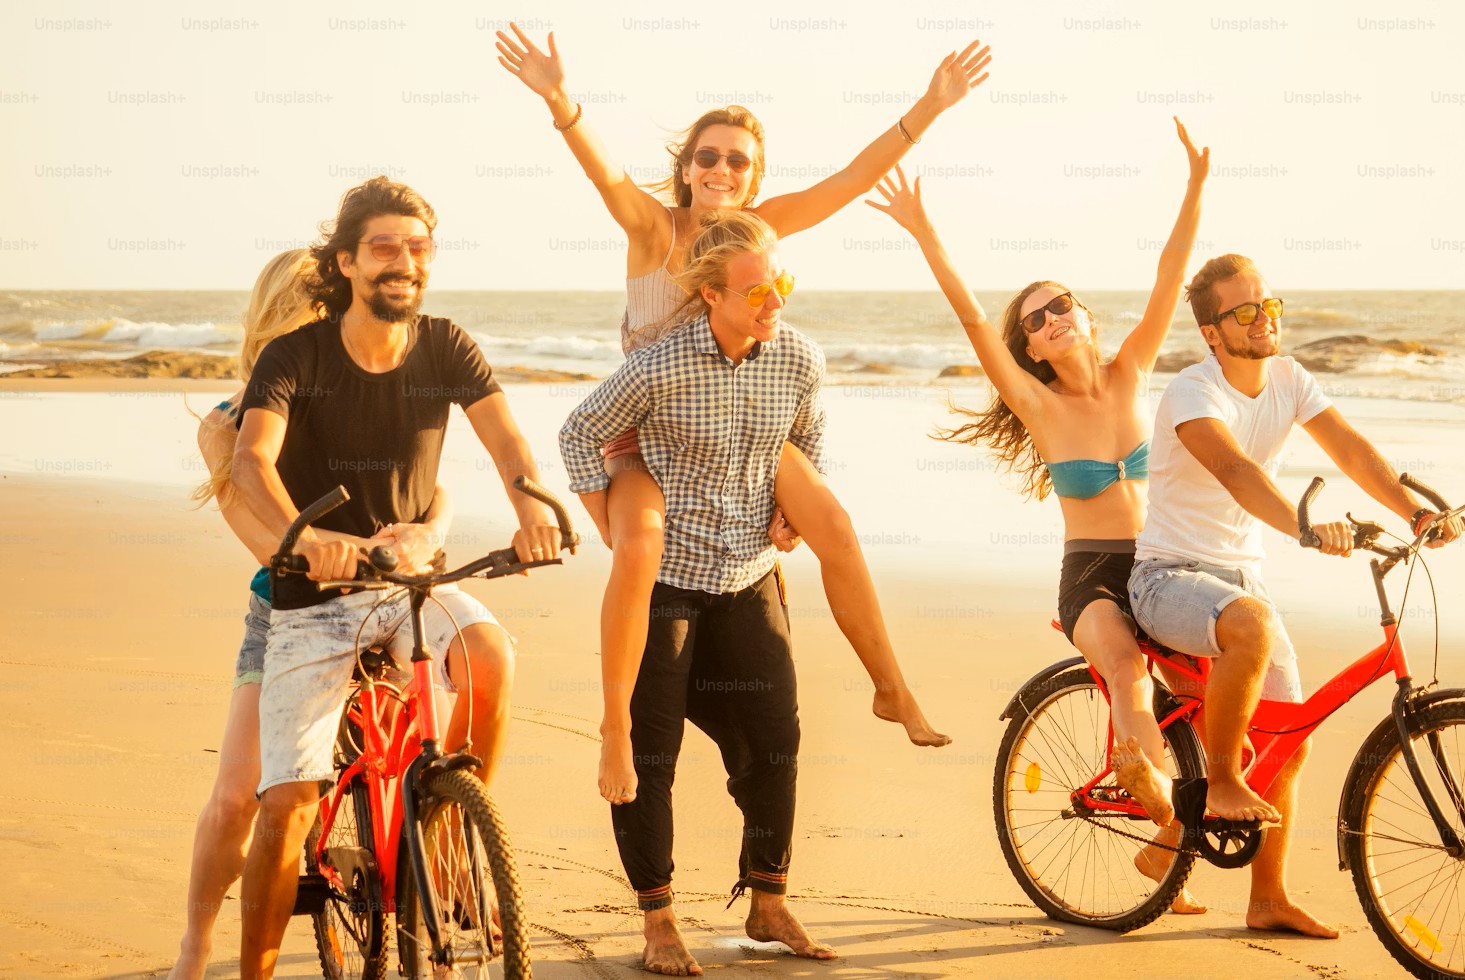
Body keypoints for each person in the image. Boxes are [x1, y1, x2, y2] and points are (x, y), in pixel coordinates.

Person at [496, 25, 989, 788]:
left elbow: (851, 180)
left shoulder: (758, 234)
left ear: (754, 180)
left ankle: (890, 686)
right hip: (649, 436)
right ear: (685, 168)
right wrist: (560, 98)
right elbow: (600, 174)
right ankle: (614, 726)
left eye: (738, 160)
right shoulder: (650, 226)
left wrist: (931, 104)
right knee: (639, 549)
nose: (721, 168)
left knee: (836, 526)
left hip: (738, 428)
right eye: (708, 156)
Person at [870, 118, 1210, 912]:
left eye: (1061, 304)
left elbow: (1171, 275)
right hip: (1092, 577)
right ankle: (1157, 804)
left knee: (1225, 681)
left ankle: (1166, 827)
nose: (1052, 317)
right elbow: (965, 319)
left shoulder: (1130, 373)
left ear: (1084, 314)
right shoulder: (1038, 404)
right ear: (1029, 348)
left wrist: (1193, 187)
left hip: (1162, 563)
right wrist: (925, 234)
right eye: (1034, 319)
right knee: (1126, 671)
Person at [230, 177, 565, 978]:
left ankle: (444, 828)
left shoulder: (447, 345)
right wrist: (302, 541)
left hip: (409, 588)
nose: (403, 262)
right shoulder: (296, 356)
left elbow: (509, 447)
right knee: (286, 805)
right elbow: (250, 461)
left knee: (490, 653)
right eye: (384, 247)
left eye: (418, 248)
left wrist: (534, 509)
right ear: (346, 261)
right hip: (315, 599)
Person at [1126, 252, 1464, 937]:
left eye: (1270, 306)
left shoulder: (1289, 377)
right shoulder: (1194, 391)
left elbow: (1351, 450)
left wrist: (1415, 513)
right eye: (1245, 311)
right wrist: (1306, 527)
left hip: (1240, 580)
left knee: (1294, 730)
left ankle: (1266, 898)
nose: (1264, 320)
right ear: (1212, 332)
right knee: (1250, 624)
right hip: (1166, 577)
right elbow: (1236, 471)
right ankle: (1220, 782)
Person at [560, 210, 836, 976]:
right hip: (668, 584)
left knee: (777, 738)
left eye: (780, 283)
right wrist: (609, 521)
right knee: (653, 755)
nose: (773, 300)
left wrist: (791, 513)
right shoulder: (662, 366)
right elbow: (579, 433)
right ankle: (657, 917)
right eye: (755, 291)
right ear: (711, 296)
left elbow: (809, 436)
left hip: (748, 574)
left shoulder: (799, 359)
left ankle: (769, 898)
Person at [168, 250, 451, 979]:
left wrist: (427, 534)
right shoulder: (232, 422)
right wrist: (339, 550)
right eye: (317, 315)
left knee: (445, 720)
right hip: (289, 606)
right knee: (238, 796)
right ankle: (196, 948)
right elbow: (257, 530)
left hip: (385, 596)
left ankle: (443, 855)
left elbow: (432, 490)